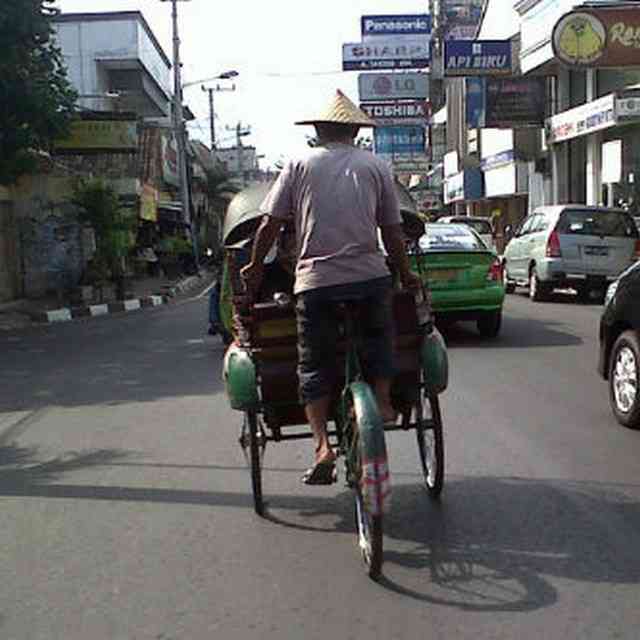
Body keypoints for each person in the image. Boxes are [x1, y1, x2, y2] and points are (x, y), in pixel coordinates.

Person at [240, 90, 420, 485]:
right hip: (370, 276)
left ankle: (322, 445)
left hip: (316, 283)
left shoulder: (298, 164)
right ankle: (385, 401)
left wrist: (254, 267)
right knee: (380, 338)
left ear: (319, 131)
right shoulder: (376, 166)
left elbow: (269, 224)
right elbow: (392, 230)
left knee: (315, 364)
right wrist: (405, 274)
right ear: (355, 131)